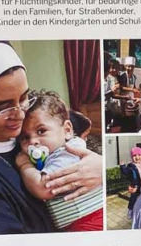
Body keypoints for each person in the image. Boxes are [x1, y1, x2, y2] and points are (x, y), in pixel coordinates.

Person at [0, 41, 102, 236]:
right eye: (2, 107)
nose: (20, 114)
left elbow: (77, 123)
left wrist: (98, 166)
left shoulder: (28, 126)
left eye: (24, 98)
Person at [15, 90, 104, 232]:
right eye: (25, 137)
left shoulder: (68, 151)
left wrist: (25, 165)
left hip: (90, 220)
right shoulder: (51, 154)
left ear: (67, 130)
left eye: (41, 131)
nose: (33, 141)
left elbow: (43, 188)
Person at [120, 146, 141, 219]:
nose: (137, 157)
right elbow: (125, 172)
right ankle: (130, 210)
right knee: (133, 198)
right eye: (134, 155)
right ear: (132, 157)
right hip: (135, 185)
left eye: (139, 155)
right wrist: (122, 166)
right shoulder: (131, 166)